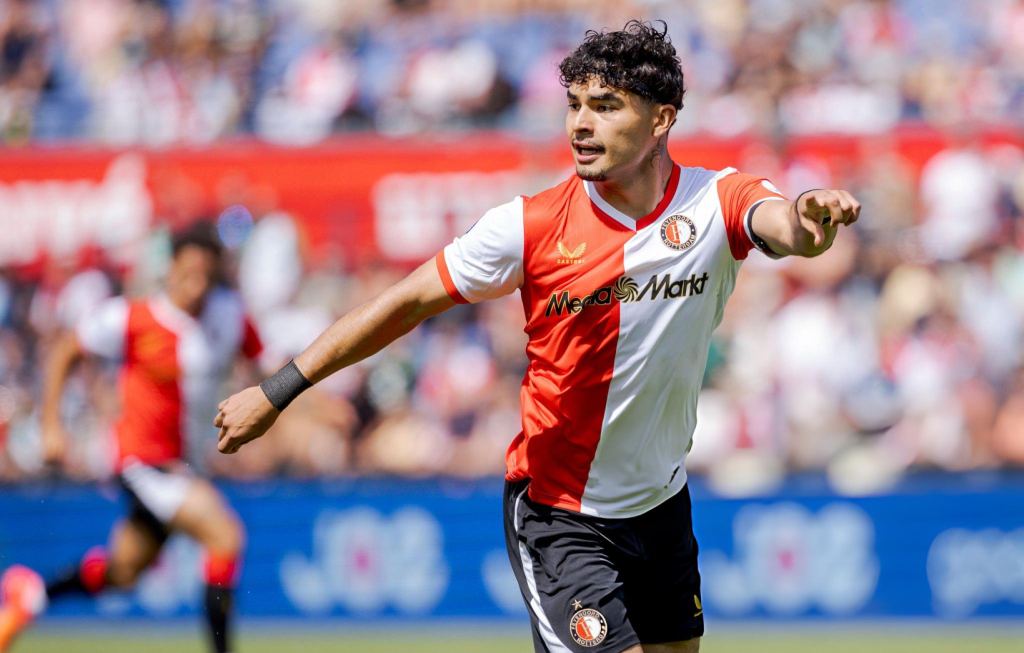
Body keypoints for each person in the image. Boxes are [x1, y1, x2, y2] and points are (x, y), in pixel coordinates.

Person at [213, 21, 860, 653]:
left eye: (605, 106)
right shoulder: (527, 227)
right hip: (560, 514)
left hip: (661, 505)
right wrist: (277, 390)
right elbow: (403, 302)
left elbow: (785, 225)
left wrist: (811, 218)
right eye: (574, 105)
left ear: (662, 118)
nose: (580, 124)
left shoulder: (717, 200)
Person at [0, 226, 261, 653]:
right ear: (170, 268)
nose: (197, 286)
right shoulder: (132, 317)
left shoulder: (230, 315)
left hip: (186, 465)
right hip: (141, 460)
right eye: (189, 273)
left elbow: (262, 366)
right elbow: (67, 349)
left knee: (122, 573)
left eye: (206, 277)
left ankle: (30, 596)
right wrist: (51, 425)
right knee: (224, 535)